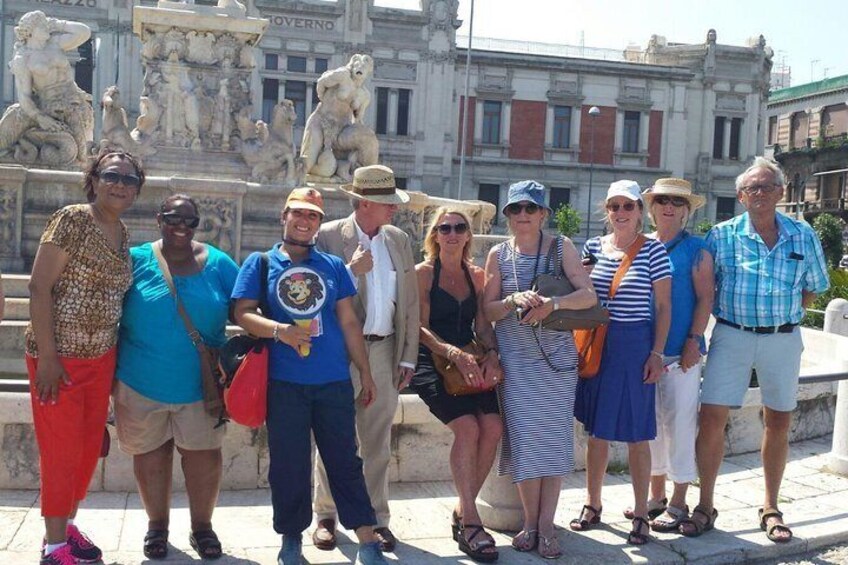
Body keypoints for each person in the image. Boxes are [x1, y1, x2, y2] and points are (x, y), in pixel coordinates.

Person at [232, 187, 387, 565]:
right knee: (288, 464)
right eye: (298, 214)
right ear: (283, 216)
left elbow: (349, 321)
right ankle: (290, 539)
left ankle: (366, 537)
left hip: (332, 381)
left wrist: (365, 372)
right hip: (284, 383)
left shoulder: (333, 266)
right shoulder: (261, 263)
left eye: (312, 216)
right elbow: (242, 313)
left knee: (345, 461)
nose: (304, 221)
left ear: (319, 222)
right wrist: (278, 330)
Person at [681, 157, 829, 542]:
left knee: (778, 421)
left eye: (767, 187)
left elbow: (814, 285)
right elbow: (704, 291)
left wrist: (788, 312)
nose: (760, 194)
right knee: (711, 417)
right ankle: (706, 504)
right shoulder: (721, 235)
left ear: (781, 192)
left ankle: (771, 506)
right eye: (752, 189)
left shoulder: (803, 234)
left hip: (782, 337)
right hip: (733, 335)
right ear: (740, 196)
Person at [26, 149, 144, 565]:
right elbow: (39, 288)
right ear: (93, 179)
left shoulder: (124, 234)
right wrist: (49, 360)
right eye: (111, 175)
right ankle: (54, 547)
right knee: (59, 451)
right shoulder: (73, 219)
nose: (119, 185)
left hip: (101, 357)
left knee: (86, 448)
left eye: (129, 180)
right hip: (58, 357)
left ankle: (67, 526)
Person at [113, 194, 239, 560]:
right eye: (173, 219)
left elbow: (246, 305)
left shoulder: (219, 263)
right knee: (150, 457)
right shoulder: (135, 260)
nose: (181, 227)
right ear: (158, 219)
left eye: (189, 221)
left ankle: (203, 527)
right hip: (140, 381)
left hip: (201, 385)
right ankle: (157, 526)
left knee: (204, 457)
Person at [482, 180, 597, 559]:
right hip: (516, 362)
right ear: (508, 215)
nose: (523, 216)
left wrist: (553, 303)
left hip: (556, 362)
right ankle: (531, 523)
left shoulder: (560, 246)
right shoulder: (498, 255)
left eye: (531, 209)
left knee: (553, 444)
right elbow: (488, 311)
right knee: (527, 445)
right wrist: (512, 299)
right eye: (516, 209)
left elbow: (589, 295)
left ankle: (547, 526)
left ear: (544, 213)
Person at [312, 164, 419, 553]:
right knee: (333, 435)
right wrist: (349, 271)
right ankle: (326, 514)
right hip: (339, 351)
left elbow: (408, 301)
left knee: (376, 440)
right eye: (385, 202)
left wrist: (408, 357)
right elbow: (311, 294)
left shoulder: (398, 239)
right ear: (361, 203)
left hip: (385, 348)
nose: (393, 209)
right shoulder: (326, 236)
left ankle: (375, 519)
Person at [571, 180, 671, 546]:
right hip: (599, 342)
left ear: (640, 212)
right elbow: (580, 290)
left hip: (634, 345)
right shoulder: (593, 247)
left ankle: (641, 513)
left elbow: (663, 306)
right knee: (596, 431)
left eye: (627, 206)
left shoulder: (653, 251)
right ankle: (592, 503)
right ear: (606, 211)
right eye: (614, 206)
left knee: (636, 433)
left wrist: (656, 353)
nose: (620, 213)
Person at [410, 207, 503, 562]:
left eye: (459, 227)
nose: (451, 233)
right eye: (444, 227)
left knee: (492, 427)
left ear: (468, 235)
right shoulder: (422, 274)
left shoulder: (476, 276)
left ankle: (463, 509)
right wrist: (452, 353)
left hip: (468, 358)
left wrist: (491, 354)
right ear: (434, 235)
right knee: (467, 429)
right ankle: (471, 521)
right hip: (432, 361)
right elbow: (418, 326)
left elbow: (482, 324)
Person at [635, 178, 714, 533]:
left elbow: (705, 299)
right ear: (651, 208)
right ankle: (656, 496)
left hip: (680, 354)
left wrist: (694, 341)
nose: (669, 207)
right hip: (644, 353)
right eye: (663, 200)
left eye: (677, 202)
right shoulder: (640, 246)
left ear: (686, 211)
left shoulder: (696, 250)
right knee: (650, 427)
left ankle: (680, 499)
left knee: (681, 424)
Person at [0, 10, 94, 165]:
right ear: (31, 30)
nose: (47, 26)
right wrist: (40, 118)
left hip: (75, 102)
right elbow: (24, 96)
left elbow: (84, 32)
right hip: (50, 105)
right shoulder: (23, 59)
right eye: (42, 24)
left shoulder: (55, 43)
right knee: (80, 156)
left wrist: (56, 23)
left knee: (83, 156)